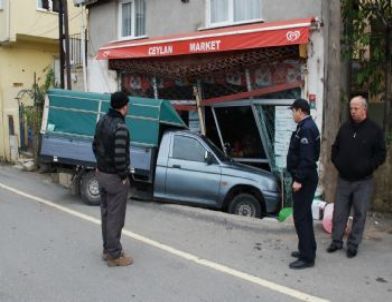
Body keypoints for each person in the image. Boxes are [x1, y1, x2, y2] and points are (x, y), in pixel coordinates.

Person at [327, 96, 386, 258]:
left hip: (363, 181)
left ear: (364, 109)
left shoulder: (374, 130)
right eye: (351, 108)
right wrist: (338, 162)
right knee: (339, 212)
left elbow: (381, 154)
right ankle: (336, 241)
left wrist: (368, 167)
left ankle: (353, 244)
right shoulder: (345, 127)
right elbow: (335, 147)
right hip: (344, 179)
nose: (352, 111)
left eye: (356, 108)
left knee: (360, 213)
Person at [92, 91, 133, 267]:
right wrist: (124, 176)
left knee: (106, 214)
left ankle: (107, 250)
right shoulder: (121, 127)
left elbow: (94, 145)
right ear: (124, 106)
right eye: (128, 104)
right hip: (115, 178)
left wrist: (99, 164)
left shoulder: (101, 121)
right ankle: (115, 256)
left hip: (101, 174)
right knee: (116, 217)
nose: (129, 107)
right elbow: (119, 156)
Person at [286, 98, 320, 269]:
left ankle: (307, 258)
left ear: (300, 111)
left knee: (301, 218)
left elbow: (307, 158)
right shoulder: (306, 126)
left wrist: (298, 180)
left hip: (304, 179)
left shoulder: (306, 129)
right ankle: (308, 248)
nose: (292, 114)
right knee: (304, 215)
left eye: (293, 111)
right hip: (306, 176)